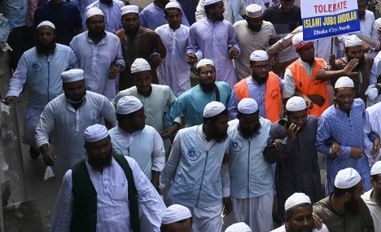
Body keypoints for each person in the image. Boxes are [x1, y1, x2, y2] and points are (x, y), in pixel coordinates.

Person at [50, 124, 165, 231]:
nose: (102, 151)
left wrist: (165, 222)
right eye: (96, 148)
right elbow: (62, 216)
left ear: (110, 142)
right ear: (86, 148)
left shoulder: (128, 165)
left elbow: (149, 198)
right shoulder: (73, 177)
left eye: (105, 145)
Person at [3, 20, 77, 157]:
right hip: (37, 104)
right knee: (33, 129)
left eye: (48, 34)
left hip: (59, 102)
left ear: (54, 35)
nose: (45, 37)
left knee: (62, 129)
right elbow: (19, 77)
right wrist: (13, 93)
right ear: (36, 36)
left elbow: (76, 69)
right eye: (41, 34)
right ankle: (36, 146)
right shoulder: (28, 56)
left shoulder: (66, 52)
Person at [161, 101, 232, 232]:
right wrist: (160, 189)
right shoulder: (184, 135)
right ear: (209, 123)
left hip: (211, 202)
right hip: (182, 200)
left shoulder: (225, 140)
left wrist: (226, 194)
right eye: (222, 123)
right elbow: (171, 165)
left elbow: (224, 168)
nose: (227, 126)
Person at [36, 68, 116, 170]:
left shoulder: (99, 101)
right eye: (71, 89)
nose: (76, 92)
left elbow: (116, 122)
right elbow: (41, 131)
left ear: (84, 84)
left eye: (79, 87)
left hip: (97, 159)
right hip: (65, 163)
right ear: (63, 88)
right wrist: (45, 151)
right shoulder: (53, 106)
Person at [227, 98, 279, 232]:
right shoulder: (229, 130)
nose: (250, 126)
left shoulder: (269, 127)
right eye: (246, 122)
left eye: (253, 121)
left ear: (258, 115)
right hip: (237, 192)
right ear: (238, 117)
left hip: (262, 191)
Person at [316, 77, 372, 194]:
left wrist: (374, 137)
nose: (346, 100)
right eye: (341, 96)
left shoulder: (360, 105)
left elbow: (365, 127)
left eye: (349, 96)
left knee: (365, 198)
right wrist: (347, 151)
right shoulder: (327, 117)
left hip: (361, 163)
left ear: (354, 94)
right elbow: (319, 144)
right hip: (339, 167)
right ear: (335, 96)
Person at [275, 97, 325, 213]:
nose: (300, 121)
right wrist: (288, 140)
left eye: (303, 116)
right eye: (295, 118)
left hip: (311, 178)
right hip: (288, 182)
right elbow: (269, 157)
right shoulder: (277, 128)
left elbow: (325, 138)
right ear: (287, 115)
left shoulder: (313, 123)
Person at [109, 95, 166, 186]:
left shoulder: (151, 132)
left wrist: (154, 185)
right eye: (140, 116)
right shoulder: (109, 138)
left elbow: (159, 157)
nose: (145, 118)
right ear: (127, 120)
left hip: (147, 189)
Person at [71, 7, 125, 99]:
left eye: (101, 22)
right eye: (94, 23)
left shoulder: (114, 40)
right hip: (84, 91)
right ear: (87, 24)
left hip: (108, 90)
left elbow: (120, 59)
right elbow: (71, 65)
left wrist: (117, 67)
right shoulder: (76, 41)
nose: (98, 25)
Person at [164, 59, 233, 130]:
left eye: (211, 72)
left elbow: (232, 109)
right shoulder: (187, 97)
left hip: (223, 135)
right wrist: (172, 131)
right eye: (204, 73)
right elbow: (169, 117)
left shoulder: (224, 87)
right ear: (197, 75)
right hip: (198, 138)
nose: (209, 75)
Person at [230, 49, 283, 121]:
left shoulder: (275, 78)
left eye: (266, 66)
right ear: (251, 68)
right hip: (252, 130)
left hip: (274, 128)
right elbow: (231, 112)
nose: (263, 70)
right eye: (259, 67)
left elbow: (289, 88)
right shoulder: (239, 88)